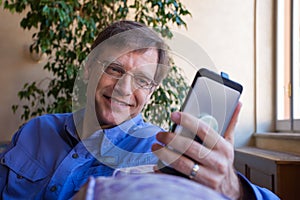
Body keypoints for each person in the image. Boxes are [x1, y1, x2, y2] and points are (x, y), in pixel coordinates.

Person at [0, 20, 278, 200]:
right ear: (87, 71)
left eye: (142, 81)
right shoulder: (34, 131)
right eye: (114, 69)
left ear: (151, 92)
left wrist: (232, 189)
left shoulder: (164, 158)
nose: (123, 88)